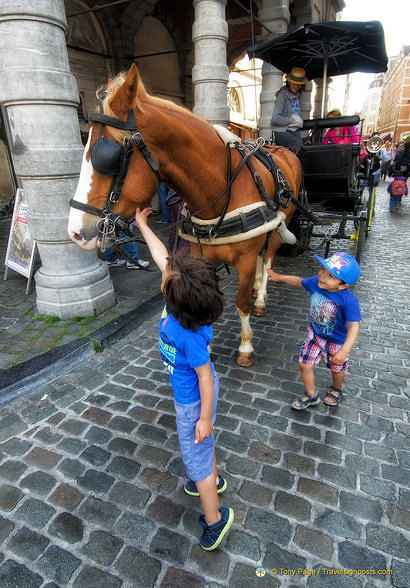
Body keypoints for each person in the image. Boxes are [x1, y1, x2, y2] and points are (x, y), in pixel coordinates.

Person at [133, 207, 234, 551]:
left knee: (196, 459)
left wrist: (204, 418)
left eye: (167, 274)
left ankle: (214, 520)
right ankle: (214, 479)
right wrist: (143, 224)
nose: (164, 271)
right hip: (194, 398)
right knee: (203, 451)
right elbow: (163, 257)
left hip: (194, 403)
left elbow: (205, 377)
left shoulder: (186, 331)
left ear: (171, 293)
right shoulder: (183, 303)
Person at [267, 252, 361, 410]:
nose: (323, 276)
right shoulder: (316, 283)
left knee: (336, 369)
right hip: (314, 336)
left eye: (330, 275)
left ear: (342, 285)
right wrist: (280, 277)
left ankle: (336, 388)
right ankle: (311, 394)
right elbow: (299, 281)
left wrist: (344, 350)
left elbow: (354, 326)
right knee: (304, 364)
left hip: (336, 342)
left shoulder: (348, 300)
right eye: (323, 269)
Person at [270, 67, 308, 148]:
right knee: (299, 146)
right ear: (289, 82)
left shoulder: (297, 95)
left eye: (298, 84)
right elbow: (275, 119)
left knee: (305, 146)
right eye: (294, 83)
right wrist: (292, 120)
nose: (295, 86)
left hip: (293, 130)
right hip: (282, 131)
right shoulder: (282, 95)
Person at [166, 187, 190, 252]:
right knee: (187, 232)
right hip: (181, 200)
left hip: (172, 198)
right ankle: (184, 257)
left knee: (175, 228)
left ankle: (172, 252)